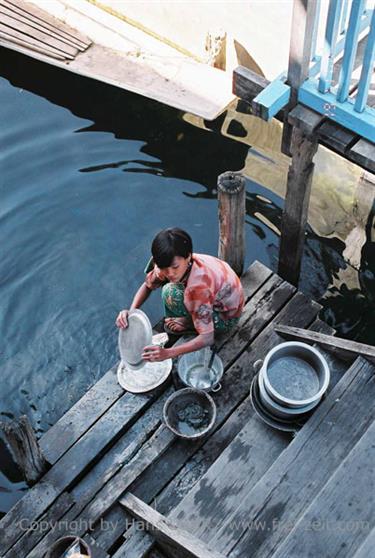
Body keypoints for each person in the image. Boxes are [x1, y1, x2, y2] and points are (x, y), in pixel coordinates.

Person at [116, 228, 244, 362]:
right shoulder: (168, 263)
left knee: (171, 293)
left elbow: (207, 338)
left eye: (175, 267)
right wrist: (131, 312)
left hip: (226, 316)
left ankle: (189, 324)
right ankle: (192, 318)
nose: (170, 273)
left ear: (188, 256)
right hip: (220, 294)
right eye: (164, 268)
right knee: (170, 288)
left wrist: (168, 353)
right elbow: (148, 286)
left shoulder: (197, 288)